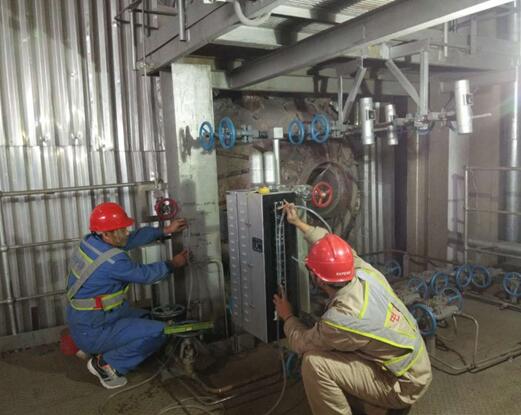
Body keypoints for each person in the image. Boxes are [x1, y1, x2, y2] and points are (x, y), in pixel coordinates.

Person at [273, 203, 432, 415]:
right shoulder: (366, 272)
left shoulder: (341, 319)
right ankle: (374, 406)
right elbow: (331, 244)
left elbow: (302, 343)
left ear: (319, 279)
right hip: (416, 365)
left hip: (403, 384)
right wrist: (298, 222)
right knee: (337, 349)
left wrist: (288, 316)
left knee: (314, 363)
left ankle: (383, 406)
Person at [66, 201, 189, 389]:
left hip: (88, 319)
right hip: (94, 328)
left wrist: (165, 230)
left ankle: (94, 348)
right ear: (107, 234)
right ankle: (106, 365)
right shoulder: (115, 262)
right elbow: (145, 275)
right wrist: (173, 264)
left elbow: (132, 239)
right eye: (121, 230)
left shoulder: (91, 242)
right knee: (159, 331)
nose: (126, 233)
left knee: (148, 318)